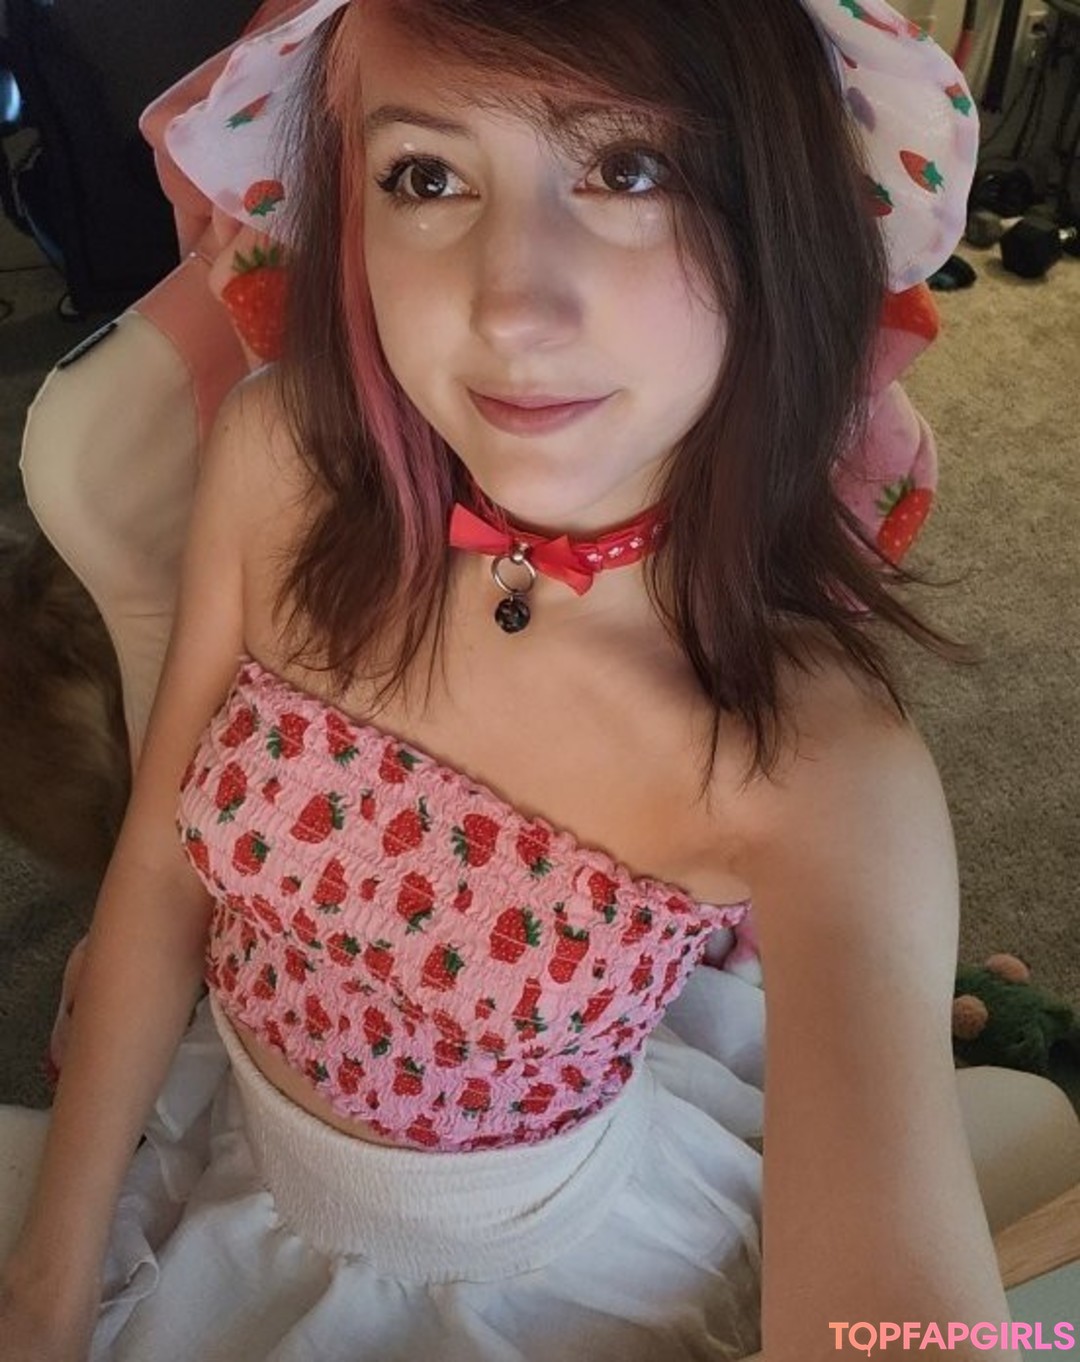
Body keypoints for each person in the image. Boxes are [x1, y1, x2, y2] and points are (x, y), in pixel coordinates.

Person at [0, 0, 1048, 1358]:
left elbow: (898, 1323)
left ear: (780, 219)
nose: (509, 305)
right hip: (230, 1161)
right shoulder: (279, 462)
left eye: (631, 168)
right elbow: (161, 862)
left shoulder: (817, 766)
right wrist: (47, 1285)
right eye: (427, 176)